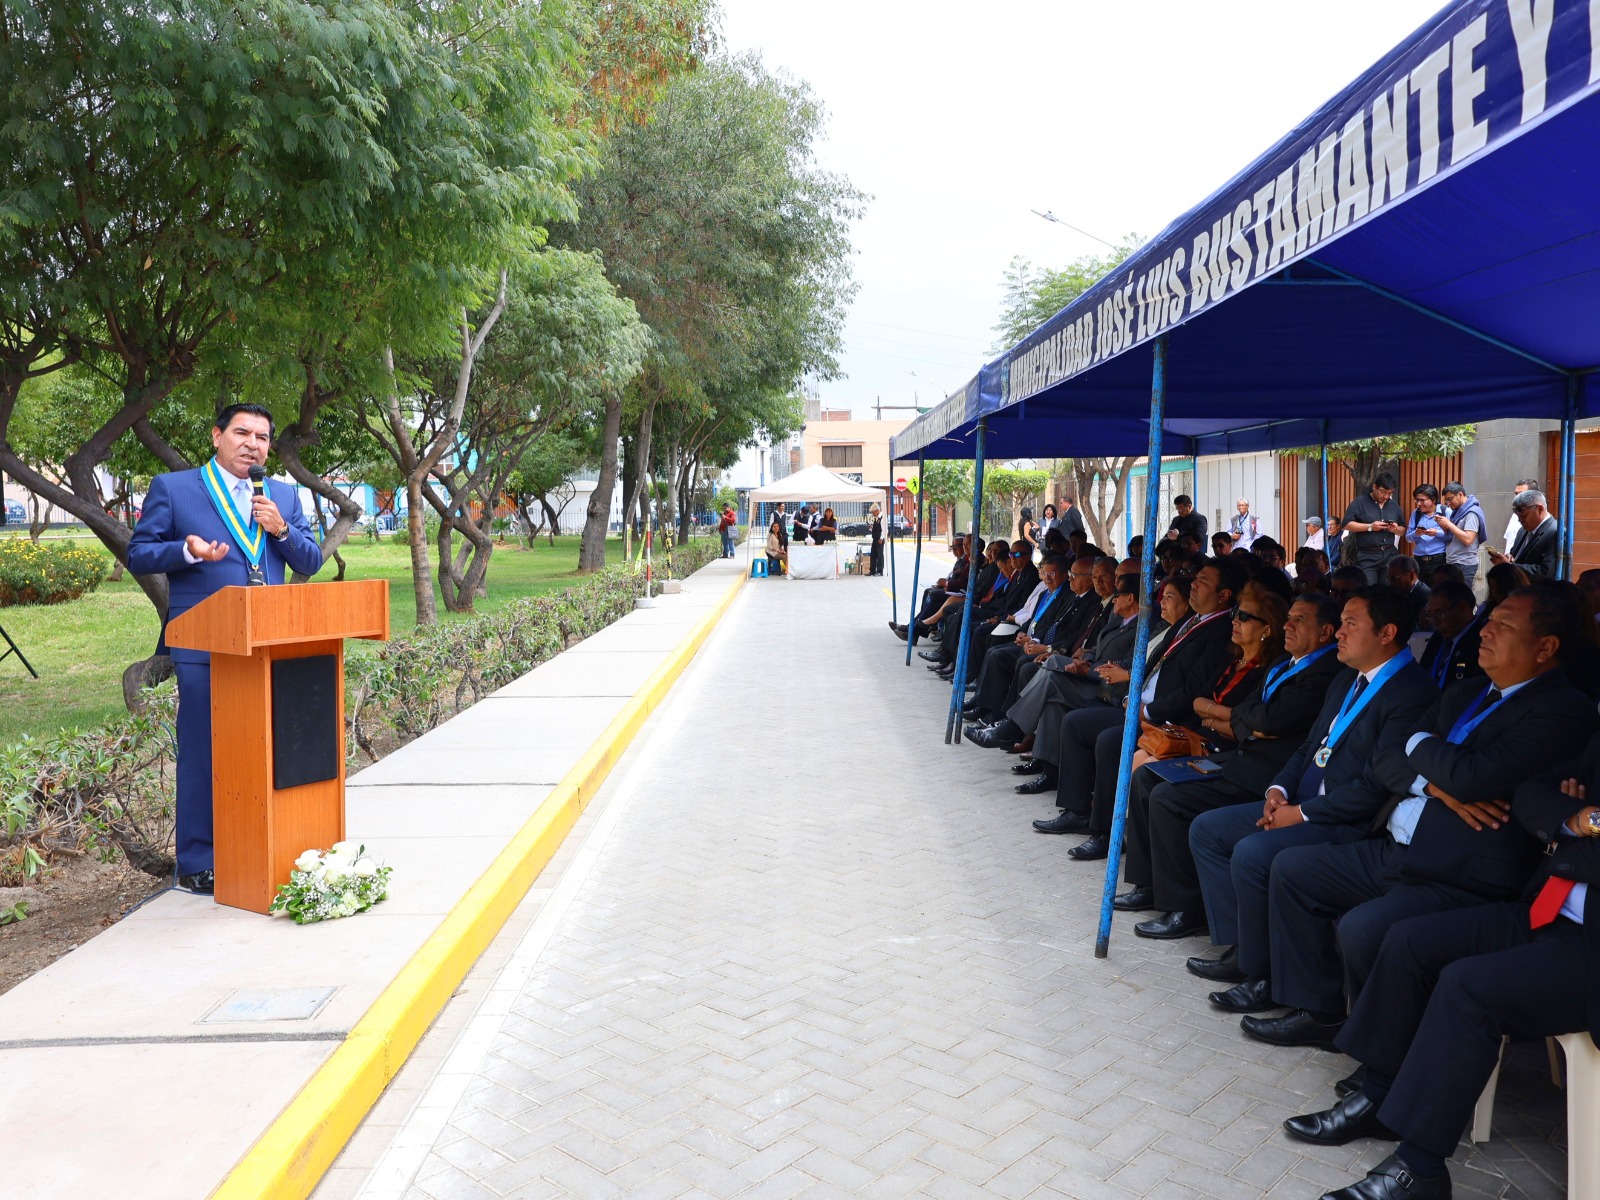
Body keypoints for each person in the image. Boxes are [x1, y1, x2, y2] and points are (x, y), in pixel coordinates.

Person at [1245, 583, 1600, 1050]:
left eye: (1502, 625)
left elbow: (1473, 776)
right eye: (1488, 622)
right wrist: (1436, 782)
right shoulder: (1466, 692)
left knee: (1365, 929)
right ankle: (1319, 1010)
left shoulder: (1562, 709)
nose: (1484, 633)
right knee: (1292, 870)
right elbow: (1388, 758)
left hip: (1458, 867)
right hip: (1397, 846)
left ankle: (1382, 1060)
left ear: (1545, 647)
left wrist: (1425, 752)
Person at [1282, 730, 1600, 1200]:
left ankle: (1421, 1170)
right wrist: (1584, 820)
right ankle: (1380, 1091)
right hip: (1544, 912)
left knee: (1467, 987)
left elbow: (1550, 811)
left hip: (1588, 944)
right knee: (1409, 940)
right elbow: (1532, 793)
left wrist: (1572, 825)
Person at [1186, 587, 1437, 1001]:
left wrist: (1301, 814)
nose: (1338, 632)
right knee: (1208, 830)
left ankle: (1265, 976)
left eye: (1351, 624)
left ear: (1387, 632)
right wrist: (1277, 790)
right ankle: (1245, 950)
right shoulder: (1346, 680)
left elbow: (1376, 786)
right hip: (1299, 803)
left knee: (1255, 854)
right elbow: (1308, 747)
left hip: (1346, 821)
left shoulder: (1411, 693)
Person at [126, 404, 324, 895]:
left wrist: (281, 528)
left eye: (261, 436)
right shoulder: (175, 489)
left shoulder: (281, 494)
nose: (252, 443)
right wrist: (187, 550)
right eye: (241, 432)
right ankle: (198, 861)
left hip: (270, 645)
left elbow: (312, 559)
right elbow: (140, 551)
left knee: (269, 750)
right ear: (217, 436)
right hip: (204, 645)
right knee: (202, 751)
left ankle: (264, 842)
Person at [1116, 586, 1304, 939]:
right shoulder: (1234, 660)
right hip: (1213, 742)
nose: (1235, 621)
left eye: (1244, 616)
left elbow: (1252, 723)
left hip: (1229, 754)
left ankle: (1184, 906)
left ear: (1266, 628)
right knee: (1145, 777)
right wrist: (1224, 716)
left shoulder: (1272, 667)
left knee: (1166, 795)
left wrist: (1220, 715)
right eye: (1235, 613)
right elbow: (1211, 707)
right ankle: (1148, 883)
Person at [1047, 558, 1244, 857]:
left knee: (1111, 742)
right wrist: (1132, 695)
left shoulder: (1218, 632)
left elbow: (1192, 690)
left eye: (1203, 581)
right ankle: (1077, 810)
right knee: (1076, 723)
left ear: (1224, 594)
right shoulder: (1191, 621)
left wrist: (1147, 711)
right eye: (1194, 579)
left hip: (1169, 719)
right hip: (1141, 705)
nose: (1194, 584)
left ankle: (1105, 832)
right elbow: (1153, 664)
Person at [1416, 581, 1484, 690]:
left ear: (1462, 608)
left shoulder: (1483, 643)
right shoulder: (1439, 636)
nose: (1434, 621)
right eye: (1430, 614)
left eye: (1440, 613)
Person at [1341, 471, 1403, 584]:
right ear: (1374, 487)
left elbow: (1403, 529)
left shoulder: (1394, 505)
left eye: (1390, 493)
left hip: (1389, 554)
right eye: (1383, 492)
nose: (1386, 496)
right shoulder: (1359, 502)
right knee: (1369, 591)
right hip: (1367, 556)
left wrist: (1396, 529)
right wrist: (1370, 527)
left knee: (1388, 591)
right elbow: (1346, 524)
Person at [1488, 487, 1558, 577]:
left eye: (1524, 516)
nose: (1520, 520)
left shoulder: (1554, 532)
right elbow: (1515, 556)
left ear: (1540, 509)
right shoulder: (1522, 531)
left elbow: (1545, 571)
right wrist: (1509, 558)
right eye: (1518, 516)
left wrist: (1509, 566)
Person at [1435, 481, 1485, 589]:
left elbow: (1468, 539)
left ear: (1460, 494)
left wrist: (1449, 524)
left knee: (1463, 598)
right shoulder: (1459, 511)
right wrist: (1445, 528)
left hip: (1464, 563)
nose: (1448, 503)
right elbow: (1455, 535)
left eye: (1450, 499)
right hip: (1454, 561)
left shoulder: (1471, 512)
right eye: (1446, 500)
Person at [1402, 484, 1448, 581]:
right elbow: (1408, 538)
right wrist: (1416, 533)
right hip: (1419, 560)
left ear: (1433, 499)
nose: (1418, 503)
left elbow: (1451, 536)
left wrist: (1437, 533)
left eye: (1422, 500)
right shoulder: (1416, 513)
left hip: (1439, 559)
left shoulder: (1445, 511)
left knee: (1438, 591)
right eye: (1417, 500)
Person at [1385, 556, 1430, 629]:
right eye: (1388, 579)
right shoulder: (1397, 593)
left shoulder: (1425, 596)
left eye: (1394, 579)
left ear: (1411, 575)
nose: (1391, 584)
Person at [1502, 477, 1538, 551]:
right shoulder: (1514, 516)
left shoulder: (1536, 519)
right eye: (1516, 494)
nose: (1517, 497)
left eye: (1521, 494)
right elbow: (1509, 542)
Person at [868, 504, 884, 576]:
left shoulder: (882, 518)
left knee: (880, 555)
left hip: (879, 539)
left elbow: (884, 529)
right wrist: (871, 528)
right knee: (873, 555)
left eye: (873, 512)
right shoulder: (876, 518)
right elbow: (876, 528)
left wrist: (881, 538)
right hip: (875, 538)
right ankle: (872, 570)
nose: (872, 514)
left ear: (877, 511)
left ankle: (880, 571)